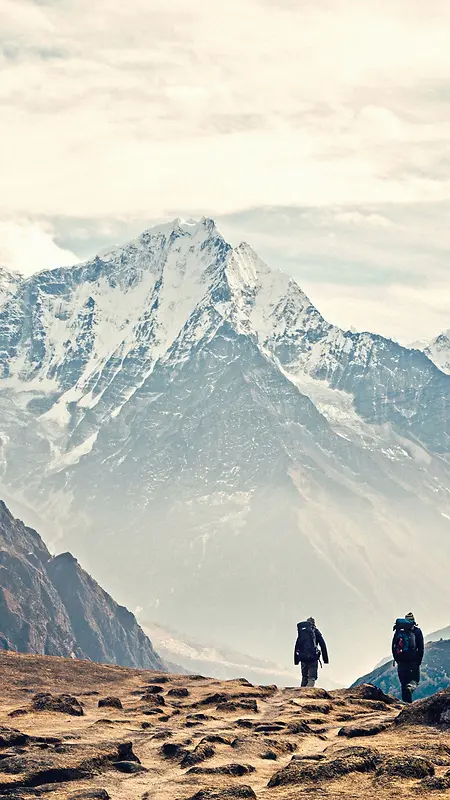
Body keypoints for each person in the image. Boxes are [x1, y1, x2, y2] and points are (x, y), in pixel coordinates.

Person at [392, 612, 424, 703]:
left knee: (403, 684)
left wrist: (398, 659)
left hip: (401, 662)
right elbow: (421, 648)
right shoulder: (417, 631)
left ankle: (406, 705)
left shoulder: (399, 631)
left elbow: (394, 646)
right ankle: (411, 687)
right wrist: (418, 661)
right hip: (413, 661)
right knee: (415, 680)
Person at [294, 617, 329, 687]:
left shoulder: (302, 632)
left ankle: (300, 695)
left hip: (303, 658)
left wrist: (296, 660)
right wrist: (325, 659)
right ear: (314, 623)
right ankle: (307, 694)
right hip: (313, 658)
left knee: (304, 678)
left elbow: (297, 646)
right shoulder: (316, 632)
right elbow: (323, 645)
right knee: (311, 678)